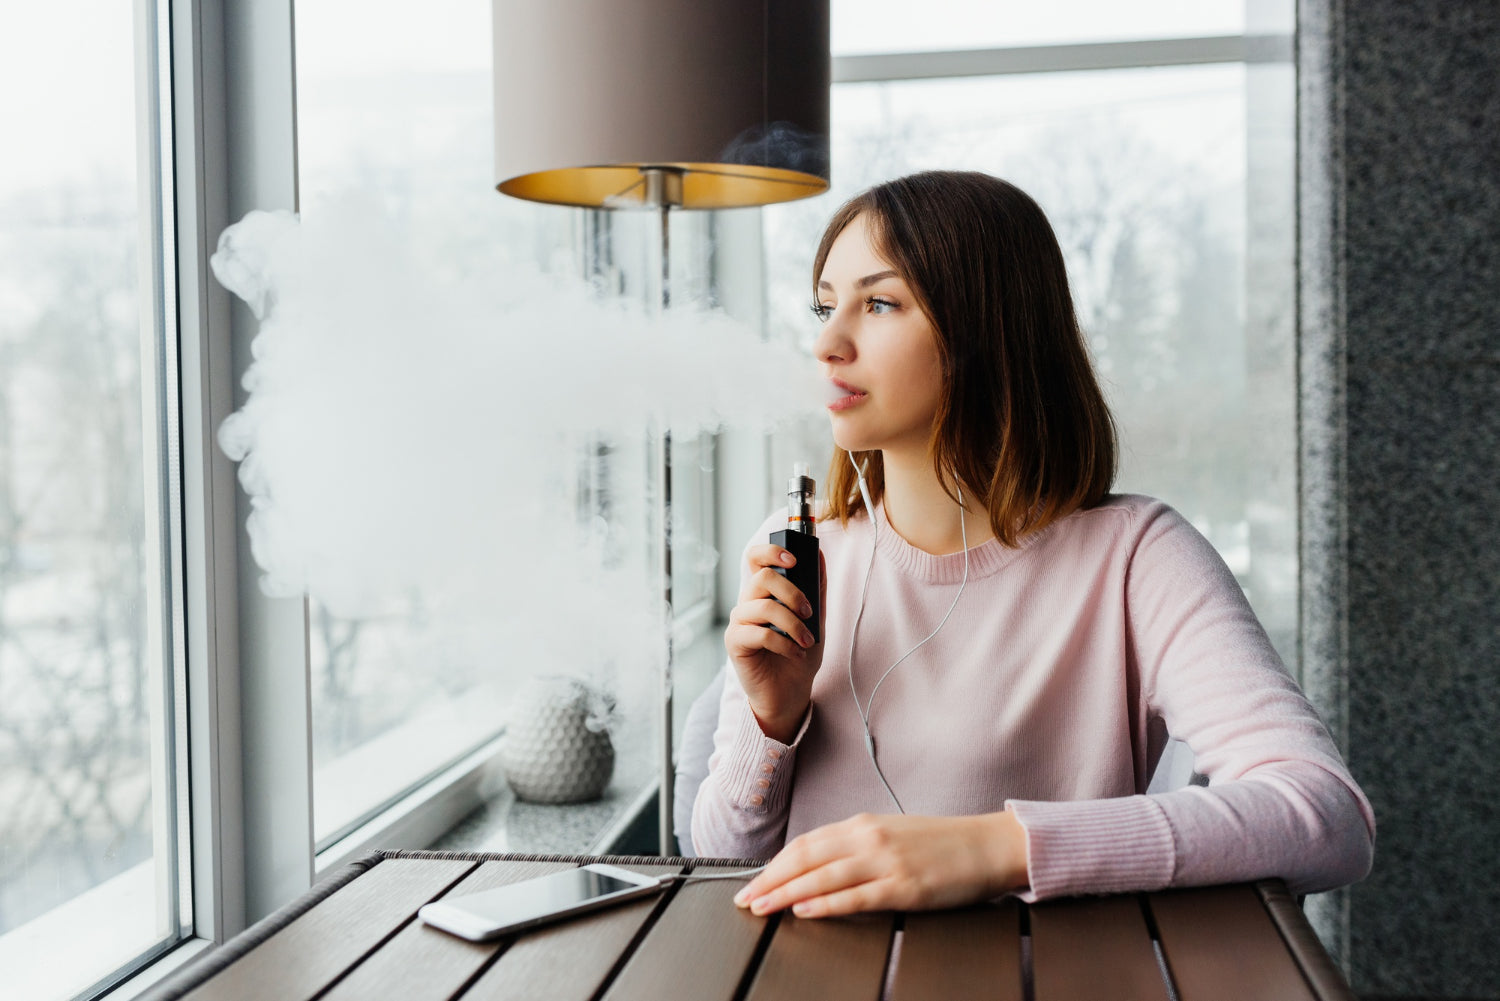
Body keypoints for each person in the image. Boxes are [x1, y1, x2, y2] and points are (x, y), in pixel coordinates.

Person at [690, 170, 1375, 919]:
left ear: (989, 330)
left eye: (879, 303)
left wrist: (992, 849)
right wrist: (773, 719)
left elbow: (1325, 816)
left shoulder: (1137, 557)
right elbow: (722, 868)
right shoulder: (798, 548)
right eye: (825, 306)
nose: (826, 342)